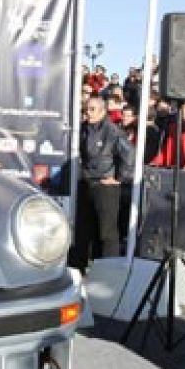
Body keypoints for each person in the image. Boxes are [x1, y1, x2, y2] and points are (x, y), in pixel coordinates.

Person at [78, 95, 132, 262]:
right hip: (86, 183)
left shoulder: (112, 131)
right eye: (86, 109)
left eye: (92, 109)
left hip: (105, 186)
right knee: (88, 229)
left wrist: (119, 178)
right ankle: (90, 265)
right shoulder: (83, 129)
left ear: (102, 111)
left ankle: (110, 266)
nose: (88, 112)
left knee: (107, 232)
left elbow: (129, 155)